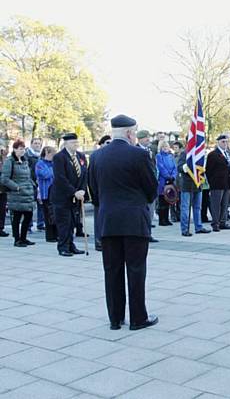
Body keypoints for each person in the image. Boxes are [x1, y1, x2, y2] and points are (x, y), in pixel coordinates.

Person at [89, 114, 158, 331]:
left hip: (108, 221)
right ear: (130, 133)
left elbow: (95, 192)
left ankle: (115, 319)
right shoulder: (139, 154)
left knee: (112, 270)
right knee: (136, 269)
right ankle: (138, 318)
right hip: (134, 220)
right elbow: (151, 188)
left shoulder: (97, 156)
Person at [50, 133, 87, 256]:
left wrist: (82, 190)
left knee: (72, 222)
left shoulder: (81, 156)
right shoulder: (59, 157)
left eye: (76, 142)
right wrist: (74, 191)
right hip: (62, 196)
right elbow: (60, 178)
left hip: (76, 196)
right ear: (65, 144)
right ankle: (63, 247)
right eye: (72, 143)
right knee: (64, 223)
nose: (75, 145)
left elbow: (84, 175)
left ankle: (71, 245)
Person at [1, 139, 36, 247]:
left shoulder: (25, 161)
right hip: (16, 194)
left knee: (28, 215)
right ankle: (17, 239)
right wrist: (16, 187)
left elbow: (28, 176)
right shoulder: (9, 161)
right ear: (15, 149)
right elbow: (4, 179)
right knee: (17, 217)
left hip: (27, 192)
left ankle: (24, 238)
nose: (22, 151)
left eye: (23, 149)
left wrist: (32, 184)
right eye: (20, 149)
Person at [177, 142, 211, 236]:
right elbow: (179, 167)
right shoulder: (185, 153)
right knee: (185, 208)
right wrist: (188, 166)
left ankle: (198, 227)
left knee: (197, 207)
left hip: (197, 184)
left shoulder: (200, 153)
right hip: (187, 184)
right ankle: (185, 229)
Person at [205, 134, 230, 232]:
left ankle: (223, 222)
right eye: (223, 142)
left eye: (226, 142)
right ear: (218, 143)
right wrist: (212, 182)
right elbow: (208, 170)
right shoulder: (212, 154)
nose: (225, 144)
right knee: (216, 204)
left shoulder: (227, 154)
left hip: (227, 183)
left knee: (225, 204)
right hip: (217, 184)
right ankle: (215, 223)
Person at [136, 130, 158, 242]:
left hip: (151, 183)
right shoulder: (135, 150)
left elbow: (153, 166)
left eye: (148, 137)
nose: (148, 140)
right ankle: (141, 233)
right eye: (146, 138)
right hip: (140, 186)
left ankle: (148, 233)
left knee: (150, 210)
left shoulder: (150, 150)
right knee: (141, 212)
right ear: (140, 139)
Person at [91, 135, 111, 251]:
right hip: (99, 193)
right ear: (101, 144)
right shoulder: (95, 156)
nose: (109, 145)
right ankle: (99, 242)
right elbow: (91, 176)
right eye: (107, 143)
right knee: (99, 219)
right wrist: (94, 193)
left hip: (111, 193)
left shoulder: (112, 156)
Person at [35, 146, 57, 242]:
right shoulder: (40, 163)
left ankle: (56, 234)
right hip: (46, 193)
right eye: (52, 153)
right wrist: (53, 170)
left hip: (56, 192)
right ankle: (50, 236)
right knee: (48, 215)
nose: (54, 155)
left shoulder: (54, 163)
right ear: (47, 153)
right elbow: (45, 174)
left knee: (55, 214)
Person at [156, 140, 177, 226]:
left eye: (167, 147)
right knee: (162, 201)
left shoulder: (171, 156)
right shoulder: (159, 156)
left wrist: (173, 176)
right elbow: (161, 167)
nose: (165, 148)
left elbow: (175, 168)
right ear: (161, 148)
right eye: (164, 147)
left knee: (168, 200)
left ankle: (166, 219)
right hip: (163, 181)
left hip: (171, 181)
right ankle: (162, 220)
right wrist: (167, 176)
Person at [26, 137, 44, 230]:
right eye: (35, 143)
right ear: (31, 144)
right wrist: (32, 181)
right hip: (31, 183)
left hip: (40, 183)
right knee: (30, 205)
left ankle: (40, 224)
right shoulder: (27, 155)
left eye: (39, 144)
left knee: (41, 204)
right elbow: (26, 170)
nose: (37, 145)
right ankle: (28, 225)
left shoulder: (41, 155)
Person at [0, 140, 9, 237]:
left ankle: (1, 228)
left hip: (3, 188)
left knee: (2, 209)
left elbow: (5, 171)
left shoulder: (5, 160)